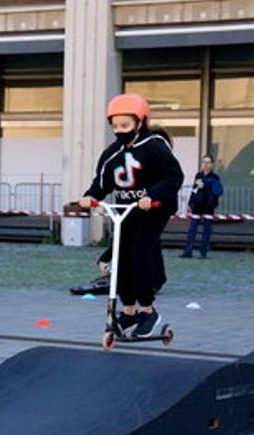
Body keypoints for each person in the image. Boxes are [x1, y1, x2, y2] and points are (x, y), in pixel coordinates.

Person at [78, 93, 183, 338]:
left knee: (140, 253)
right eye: (115, 126)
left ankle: (148, 311)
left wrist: (152, 195)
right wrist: (90, 196)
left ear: (140, 122)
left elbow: (173, 177)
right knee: (121, 258)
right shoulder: (111, 153)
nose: (119, 130)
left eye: (125, 125)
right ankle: (128, 312)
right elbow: (101, 183)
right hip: (128, 210)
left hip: (155, 207)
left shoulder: (154, 145)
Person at [181, 154, 224, 259]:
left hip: (208, 206)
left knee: (207, 231)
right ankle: (188, 251)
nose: (206, 165)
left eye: (208, 162)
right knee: (192, 230)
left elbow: (216, 191)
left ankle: (203, 252)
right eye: (204, 162)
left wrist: (204, 186)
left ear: (212, 164)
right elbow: (194, 190)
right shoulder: (198, 175)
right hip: (197, 206)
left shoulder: (215, 177)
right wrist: (190, 203)